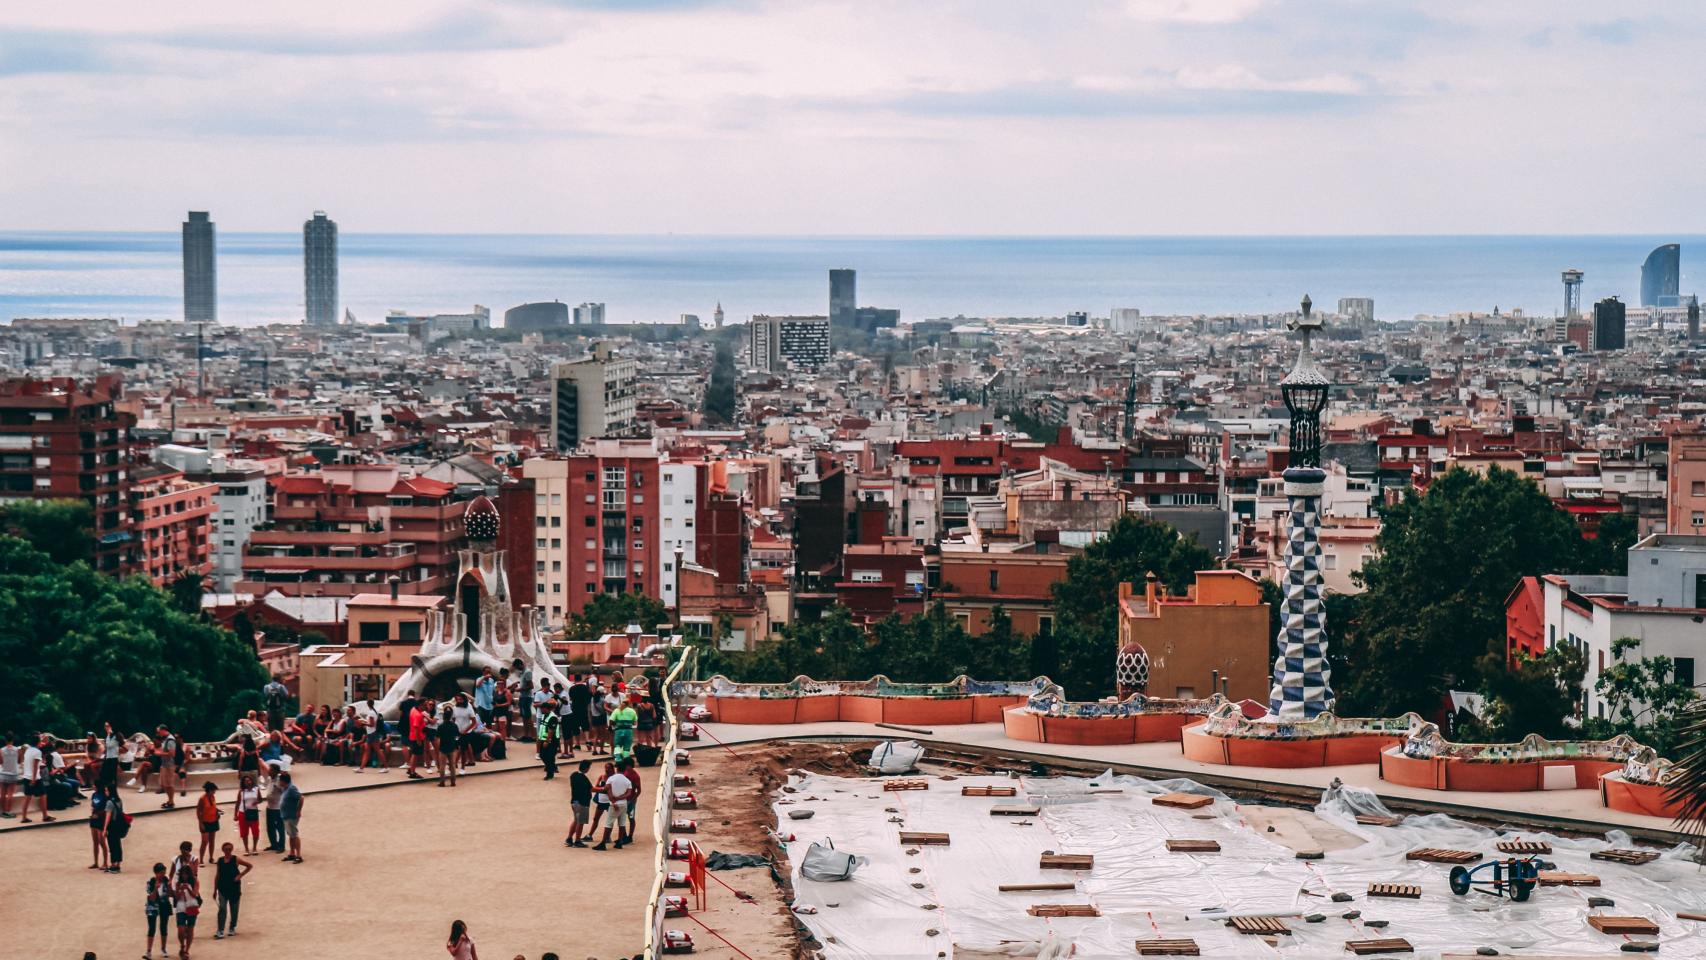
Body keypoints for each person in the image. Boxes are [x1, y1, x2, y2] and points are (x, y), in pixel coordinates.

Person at [211, 842, 251, 939]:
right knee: (222, 909)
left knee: (234, 910)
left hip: (234, 887)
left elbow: (249, 866)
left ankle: (232, 927)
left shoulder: (235, 859)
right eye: (226, 849)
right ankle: (220, 929)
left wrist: (240, 875)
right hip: (222, 888)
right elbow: (218, 875)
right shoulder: (220, 861)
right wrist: (215, 890)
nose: (227, 851)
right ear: (223, 850)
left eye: (229, 849)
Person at [593, 762, 634, 851]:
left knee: (608, 823)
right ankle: (619, 842)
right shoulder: (627, 781)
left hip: (614, 804)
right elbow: (629, 793)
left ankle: (603, 843)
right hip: (624, 804)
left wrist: (613, 800)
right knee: (622, 823)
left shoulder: (611, 778)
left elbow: (607, 789)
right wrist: (620, 797)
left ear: (617, 769)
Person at [21, 733, 54, 823]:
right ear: (38, 742)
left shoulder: (28, 750)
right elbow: (35, 766)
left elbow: (27, 764)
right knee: (43, 795)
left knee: (27, 798)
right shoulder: (37, 752)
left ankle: (24, 817)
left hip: (26, 776)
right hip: (35, 777)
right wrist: (34, 779)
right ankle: (45, 816)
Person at [145, 862, 175, 960]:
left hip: (164, 905)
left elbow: (171, 895)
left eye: (164, 872)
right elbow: (152, 898)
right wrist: (155, 888)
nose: (163, 874)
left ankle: (163, 949)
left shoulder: (166, 880)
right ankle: (148, 951)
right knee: (152, 928)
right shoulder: (150, 882)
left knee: (163, 926)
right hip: (153, 906)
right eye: (161, 873)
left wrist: (170, 887)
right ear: (156, 873)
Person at [173, 864, 201, 959]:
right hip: (181, 907)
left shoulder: (195, 881)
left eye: (186, 874)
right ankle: (182, 946)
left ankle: (186, 950)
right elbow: (176, 897)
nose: (184, 876)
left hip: (192, 905)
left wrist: (188, 888)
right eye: (183, 874)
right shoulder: (178, 883)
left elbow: (194, 894)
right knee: (180, 929)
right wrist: (180, 891)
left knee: (190, 929)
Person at [565, 759, 593, 847]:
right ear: (586, 768)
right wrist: (604, 790)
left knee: (576, 820)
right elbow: (591, 789)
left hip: (575, 801)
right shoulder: (583, 778)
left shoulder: (574, 775)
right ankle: (577, 840)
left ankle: (569, 838)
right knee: (580, 822)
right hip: (582, 802)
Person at [278, 771, 304, 862]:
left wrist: (299, 811)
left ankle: (299, 855)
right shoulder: (285, 788)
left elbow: (301, 798)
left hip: (292, 815)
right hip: (286, 815)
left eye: (280, 780)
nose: (279, 782)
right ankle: (292, 853)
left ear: (283, 781)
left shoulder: (291, 788)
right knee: (290, 835)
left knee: (294, 835)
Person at [357, 699, 388, 773]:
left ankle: (386, 767)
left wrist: (363, 723)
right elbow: (373, 723)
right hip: (372, 733)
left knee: (376, 750)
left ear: (367, 704)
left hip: (372, 734)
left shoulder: (371, 713)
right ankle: (361, 768)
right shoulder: (375, 712)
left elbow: (372, 724)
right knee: (368, 751)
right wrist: (365, 722)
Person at [233, 774, 262, 854]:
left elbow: (260, 799)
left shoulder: (256, 789)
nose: (248, 782)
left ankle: (254, 848)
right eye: (246, 781)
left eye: (249, 780)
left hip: (253, 812)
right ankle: (246, 848)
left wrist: (257, 802)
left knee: (255, 831)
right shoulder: (241, 791)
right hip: (243, 813)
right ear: (243, 783)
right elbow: (238, 803)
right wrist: (235, 814)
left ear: (252, 781)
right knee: (244, 831)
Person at [154, 726, 180, 809]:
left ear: (163, 730)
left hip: (169, 765)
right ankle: (169, 801)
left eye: (158, 732)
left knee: (169, 784)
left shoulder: (170, 740)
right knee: (165, 784)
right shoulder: (166, 739)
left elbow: (172, 754)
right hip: (164, 764)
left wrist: (159, 754)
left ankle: (171, 802)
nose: (158, 734)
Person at [195, 781, 221, 862]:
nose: (214, 792)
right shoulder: (202, 799)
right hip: (205, 822)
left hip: (213, 820)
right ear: (209, 790)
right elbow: (198, 811)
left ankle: (211, 857)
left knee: (212, 841)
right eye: (213, 790)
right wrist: (201, 823)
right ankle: (201, 859)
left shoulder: (212, 797)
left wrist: (218, 812)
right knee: (204, 841)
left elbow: (213, 807)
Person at [263, 763, 286, 852]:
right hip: (269, 807)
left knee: (280, 827)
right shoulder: (269, 779)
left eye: (271, 769)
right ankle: (273, 844)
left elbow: (285, 791)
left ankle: (281, 846)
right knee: (270, 827)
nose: (268, 770)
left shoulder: (280, 780)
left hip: (278, 808)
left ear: (275, 771)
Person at [88, 781, 111, 870]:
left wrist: (98, 814)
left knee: (102, 842)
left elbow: (106, 810)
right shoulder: (94, 795)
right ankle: (95, 862)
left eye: (94, 785)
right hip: (93, 819)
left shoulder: (105, 797)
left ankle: (105, 862)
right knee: (95, 842)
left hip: (101, 820)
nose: (93, 786)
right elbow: (93, 804)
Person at [104, 785, 127, 873]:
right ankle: (118, 863)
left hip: (112, 825)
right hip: (119, 823)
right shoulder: (119, 800)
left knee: (112, 845)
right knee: (118, 844)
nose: (106, 792)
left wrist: (105, 828)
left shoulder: (109, 802)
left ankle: (113, 864)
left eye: (106, 790)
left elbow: (108, 816)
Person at [406, 696, 428, 780]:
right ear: (420, 705)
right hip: (417, 737)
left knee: (414, 754)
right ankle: (412, 772)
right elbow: (416, 728)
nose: (426, 706)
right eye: (425, 704)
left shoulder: (413, 710)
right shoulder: (417, 715)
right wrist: (418, 740)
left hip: (413, 736)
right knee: (415, 755)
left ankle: (410, 769)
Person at [610, 697, 638, 764]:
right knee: (626, 747)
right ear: (629, 703)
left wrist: (614, 725)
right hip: (628, 731)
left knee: (617, 745)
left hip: (618, 731)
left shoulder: (617, 710)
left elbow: (611, 720)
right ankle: (626, 761)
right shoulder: (632, 711)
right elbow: (635, 722)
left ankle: (618, 760)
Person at [537, 701, 560, 781]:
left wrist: (547, 741)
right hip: (543, 739)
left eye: (542, 709)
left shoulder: (553, 717)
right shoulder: (544, 715)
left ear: (546, 709)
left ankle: (550, 774)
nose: (541, 710)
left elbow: (551, 730)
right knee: (543, 755)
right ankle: (553, 767)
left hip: (552, 741)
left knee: (548, 757)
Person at [515, 658, 535, 741]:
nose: (517, 669)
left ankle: (531, 736)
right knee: (524, 717)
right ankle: (526, 735)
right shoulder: (522, 673)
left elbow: (531, 686)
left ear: (520, 664)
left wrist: (520, 689)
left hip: (527, 697)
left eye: (517, 667)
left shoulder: (527, 672)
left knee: (528, 717)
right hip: (523, 697)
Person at [0, 731, 19, 818]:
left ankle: (3, 811)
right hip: (13, 773)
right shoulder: (17, 750)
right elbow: (19, 761)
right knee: (10, 794)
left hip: (3, 773)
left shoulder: (1, 750)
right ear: (13, 739)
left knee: (3, 794)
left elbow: (1, 762)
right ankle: (8, 811)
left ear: (5, 740)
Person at [492, 668, 513, 740]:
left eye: (501, 683)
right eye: (498, 683)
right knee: (496, 727)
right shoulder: (496, 692)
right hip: (496, 711)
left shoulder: (507, 692)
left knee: (502, 728)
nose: (499, 685)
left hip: (502, 712)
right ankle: (497, 742)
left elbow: (509, 702)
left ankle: (503, 742)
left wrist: (499, 705)